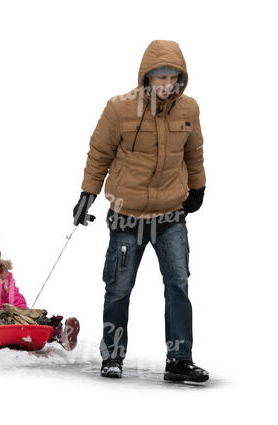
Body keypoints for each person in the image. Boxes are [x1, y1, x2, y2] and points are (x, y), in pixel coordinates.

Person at [73, 40, 209, 382]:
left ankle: (179, 359)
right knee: (118, 289)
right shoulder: (119, 108)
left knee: (178, 285)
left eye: (172, 77)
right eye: (159, 77)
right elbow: (99, 152)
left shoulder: (188, 109)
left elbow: (194, 153)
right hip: (126, 216)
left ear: (180, 78)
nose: (165, 84)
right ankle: (113, 357)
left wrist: (198, 186)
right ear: (146, 77)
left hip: (170, 216)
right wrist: (87, 194)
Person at [0, 230, 80, 351]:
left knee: (32, 316)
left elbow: (15, 299)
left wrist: (26, 316)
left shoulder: (4, 275)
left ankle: (59, 334)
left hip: (2, 319)